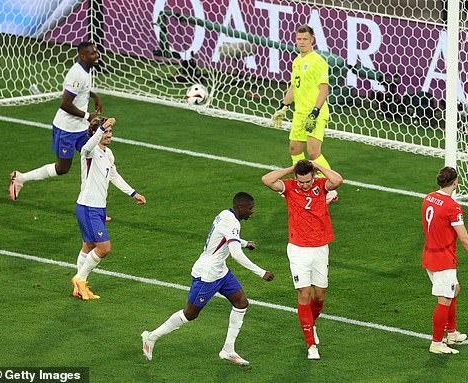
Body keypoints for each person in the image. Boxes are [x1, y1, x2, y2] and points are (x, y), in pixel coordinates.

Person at [141, 192, 275, 365]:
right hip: (208, 274)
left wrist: (244, 242)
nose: (252, 212)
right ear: (240, 208)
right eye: (250, 209)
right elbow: (235, 254)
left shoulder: (225, 214)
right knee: (190, 314)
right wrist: (261, 272)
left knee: (241, 303)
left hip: (220, 271)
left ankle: (228, 350)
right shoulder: (232, 221)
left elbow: (223, 237)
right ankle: (151, 337)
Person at [261, 160, 343, 360]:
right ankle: (311, 344)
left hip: (320, 248)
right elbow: (267, 179)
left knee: (320, 295)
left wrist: (317, 166)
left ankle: (310, 324)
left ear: (313, 177)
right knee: (304, 293)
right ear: (296, 178)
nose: (304, 185)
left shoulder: (321, 186)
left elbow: (337, 180)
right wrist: (292, 169)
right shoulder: (288, 187)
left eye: (307, 181)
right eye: (301, 181)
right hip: (298, 249)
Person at [9, 41, 102, 201]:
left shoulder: (86, 70)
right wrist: (89, 116)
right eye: (93, 53)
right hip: (66, 129)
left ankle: (90, 203)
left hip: (80, 129)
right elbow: (65, 104)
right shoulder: (77, 74)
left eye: (96, 52)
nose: (97, 55)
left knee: (94, 158)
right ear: (82, 56)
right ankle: (20, 178)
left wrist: (94, 95)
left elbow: (79, 89)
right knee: (63, 168)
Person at [71, 117, 146, 300]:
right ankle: (79, 280)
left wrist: (133, 193)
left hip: (97, 208)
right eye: (105, 132)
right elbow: (87, 147)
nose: (108, 135)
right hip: (88, 206)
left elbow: (114, 176)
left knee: (89, 246)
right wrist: (101, 127)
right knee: (104, 248)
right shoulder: (89, 152)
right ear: (96, 133)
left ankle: (79, 287)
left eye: (110, 132)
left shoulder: (109, 154)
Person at [422, 166, 468, 354]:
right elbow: (464, 239)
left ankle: (451, 334)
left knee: (454, 290)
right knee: (445, 298)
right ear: (455, 182)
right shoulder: (452, 207)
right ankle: (437, 343)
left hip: (429, 254)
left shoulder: (429, 198)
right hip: (443, 258)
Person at [271, 25, 338, 204]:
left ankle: (330, 189)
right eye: (299, 39)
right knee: (294, 148)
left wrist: (315, 112)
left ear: (312, 40)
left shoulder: (318, 61)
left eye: (305, 39)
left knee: (313, 151)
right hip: (300, 113)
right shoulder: (297, 61)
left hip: (315, 112)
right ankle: (301, 183)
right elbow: (294, 87)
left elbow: (324, 89)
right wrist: (283, 106)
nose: (301, 42)